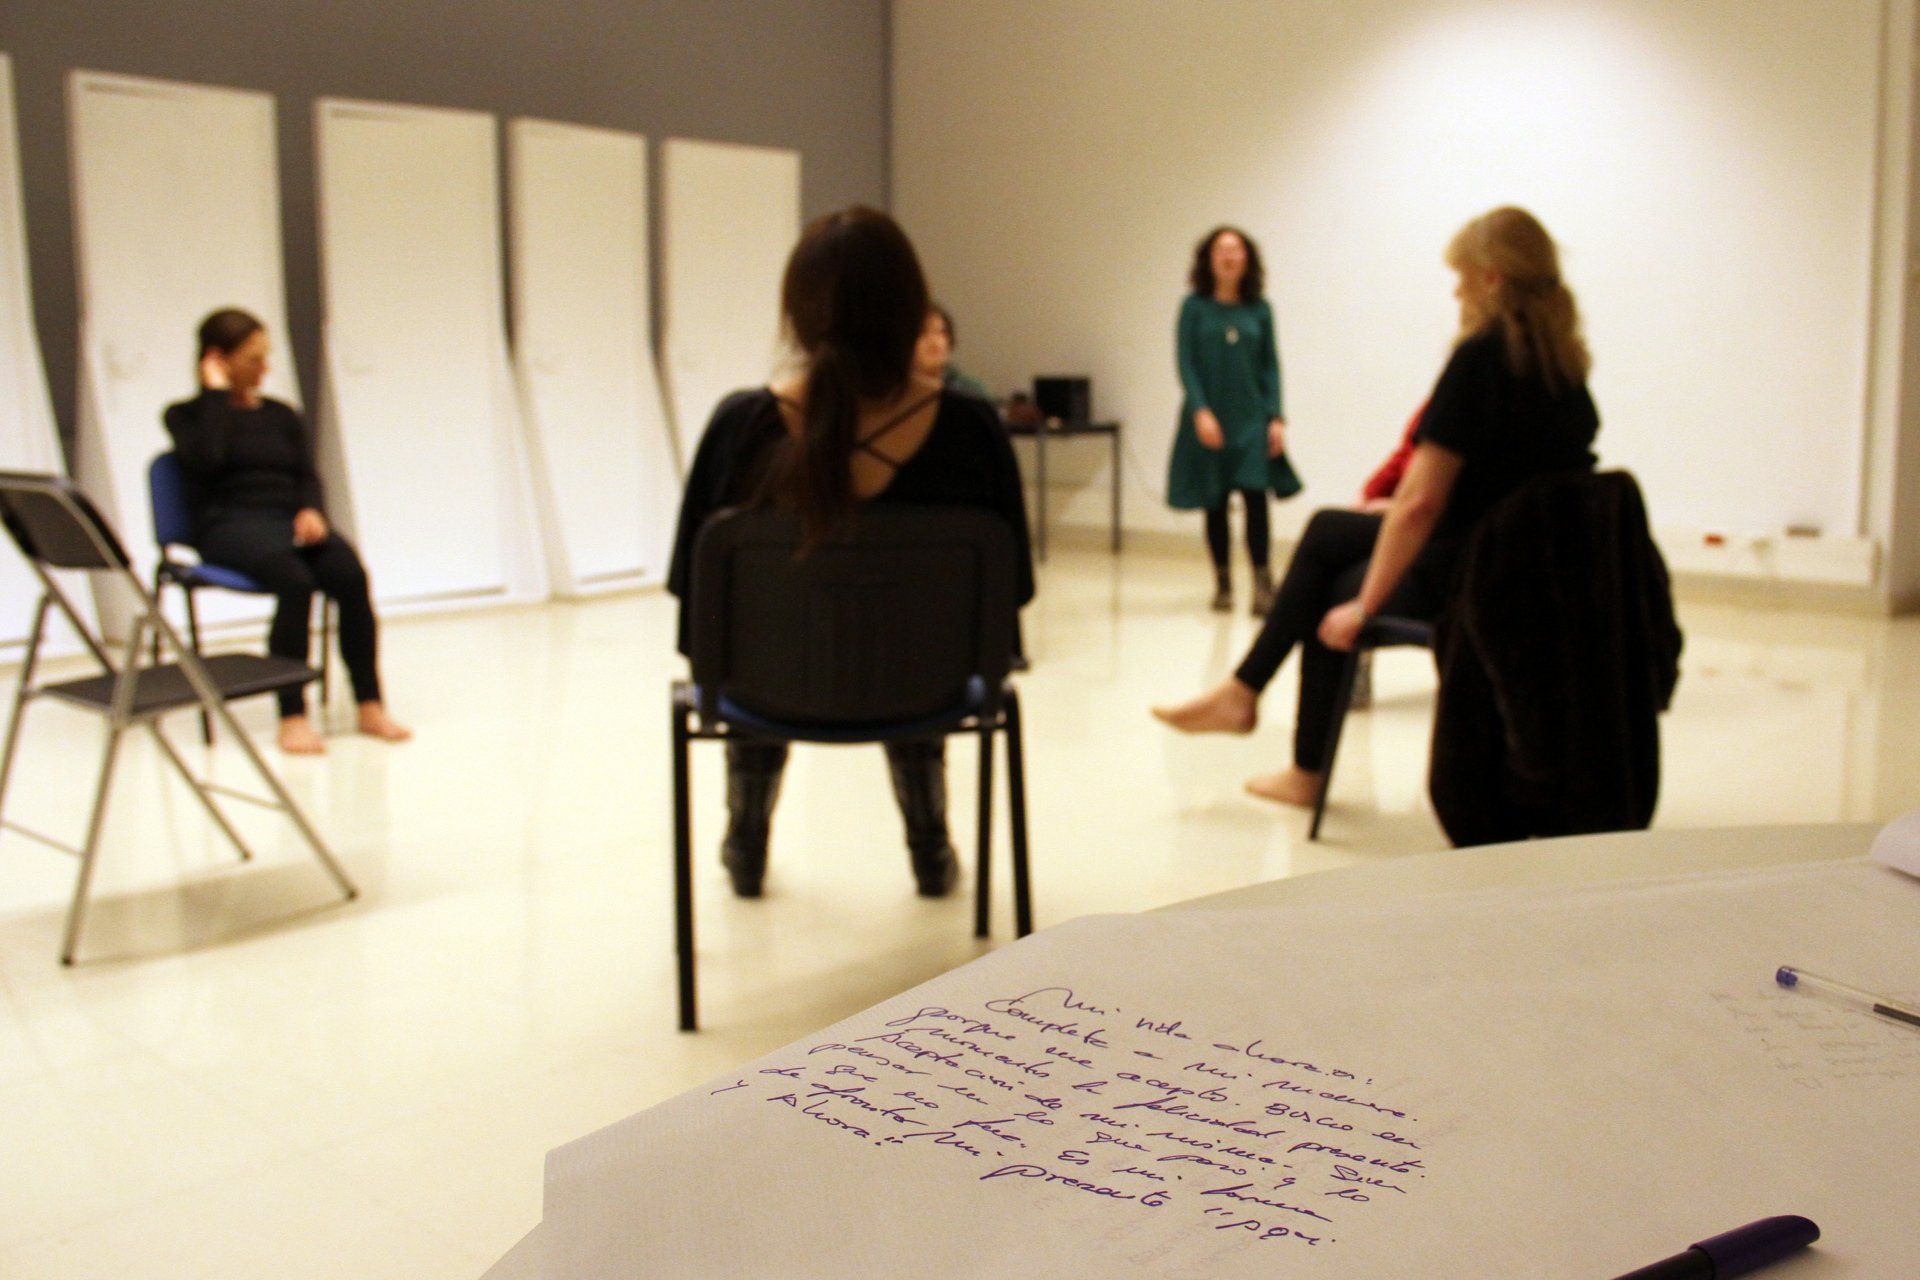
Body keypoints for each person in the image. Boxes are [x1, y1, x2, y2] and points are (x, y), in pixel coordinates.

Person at [1153, 206, 1599, 807]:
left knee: (1331, 587)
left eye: (1462, 277)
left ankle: (1281, 739)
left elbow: (1420, 504)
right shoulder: (1563, 364)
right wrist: (1392, 514)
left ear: (1492, 278)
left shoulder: (1481, 357)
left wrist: (1364, 606)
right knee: (1329, 531)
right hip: (1522, 559)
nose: (1456, 291)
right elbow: (1481, 487)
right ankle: (1246, 696)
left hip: (1473, 568)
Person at [667, 208, 1034, 900]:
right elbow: (1010, 597)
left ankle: (745, 840)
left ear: (797, 313)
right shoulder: (972, 430)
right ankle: (930, 846)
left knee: (762, 642)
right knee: (916, 641)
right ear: (912, 310)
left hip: (764, 694)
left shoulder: (739, 427)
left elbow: (697, 610)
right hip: (931, 692)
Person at [163, 309, 410, 755]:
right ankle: (292, 714)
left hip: (285, 520)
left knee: (349, 575)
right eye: (253, 359)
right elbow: (207, 461)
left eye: (266, 357)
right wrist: (216, 396)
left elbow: (307, 474)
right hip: (228, 526)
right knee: (295, 581)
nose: (265, 368)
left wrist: (313, 510)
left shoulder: (281, 415)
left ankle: (369, 704)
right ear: (217, 360)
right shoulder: (186, 416)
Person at [1165, 226, 1302, 615]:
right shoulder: (1194, 308)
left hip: (1251, 418)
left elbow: (1271, 366)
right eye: (1220, 250)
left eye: (1235, 250)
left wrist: (1276, 417)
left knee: (1257, 498)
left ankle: (1262, 583)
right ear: (1208, 259)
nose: (1228, 257)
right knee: (1216, 501)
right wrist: (1200, 411)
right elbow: (1186, 363)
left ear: (1247, 259)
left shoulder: (1260, 309)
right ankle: (1223, 584)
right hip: (1209, 418)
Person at [914, 304, 993, 401]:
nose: (936, 341)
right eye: (923, 332)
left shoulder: (970, 391)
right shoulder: (899, 391)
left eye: (942, 332)